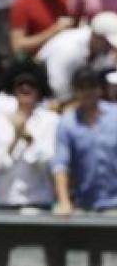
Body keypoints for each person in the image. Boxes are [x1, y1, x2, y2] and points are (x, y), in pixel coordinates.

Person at [0, 58, 59, 211]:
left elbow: (49, 162)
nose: (25, 88)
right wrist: (15, 139)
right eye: (20, 85)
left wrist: (28, 139)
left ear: (40, 90)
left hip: (37, 201)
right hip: (5, 200)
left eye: (31, 85)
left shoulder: (51, 121)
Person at [53, 66, 117, 214]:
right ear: (75, 91)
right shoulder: (67, 124)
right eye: (82, 88)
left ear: (100, 89)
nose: (87, 93)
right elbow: (60, 165)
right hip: (84, 205)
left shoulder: (115, 116)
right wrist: (64, 201)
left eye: (91, 87)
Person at [37, 11, 117, 101]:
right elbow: (58, 86)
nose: (111, 48)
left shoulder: (102, 50)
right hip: (46, 97)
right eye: (108, 43)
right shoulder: (68, 49)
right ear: (96, 36)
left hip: (75, 96)